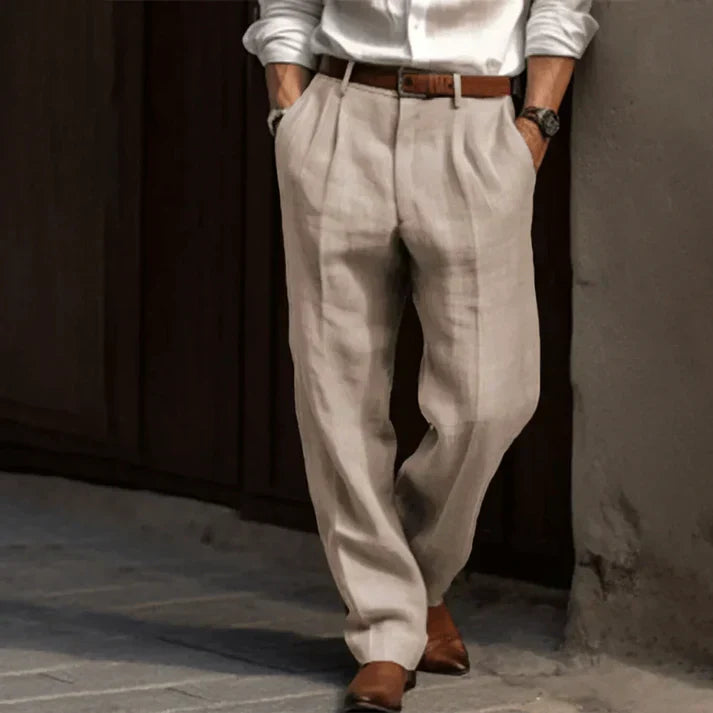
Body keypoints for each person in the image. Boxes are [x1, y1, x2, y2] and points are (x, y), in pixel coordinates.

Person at [243, 2, 599, 711]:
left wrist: (535, 127)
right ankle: (385, 631)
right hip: (340, 117)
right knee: (334, 393)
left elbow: (561, 7)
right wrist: (290, 113)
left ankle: (414, 579)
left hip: (476, 128)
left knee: (491, 399)